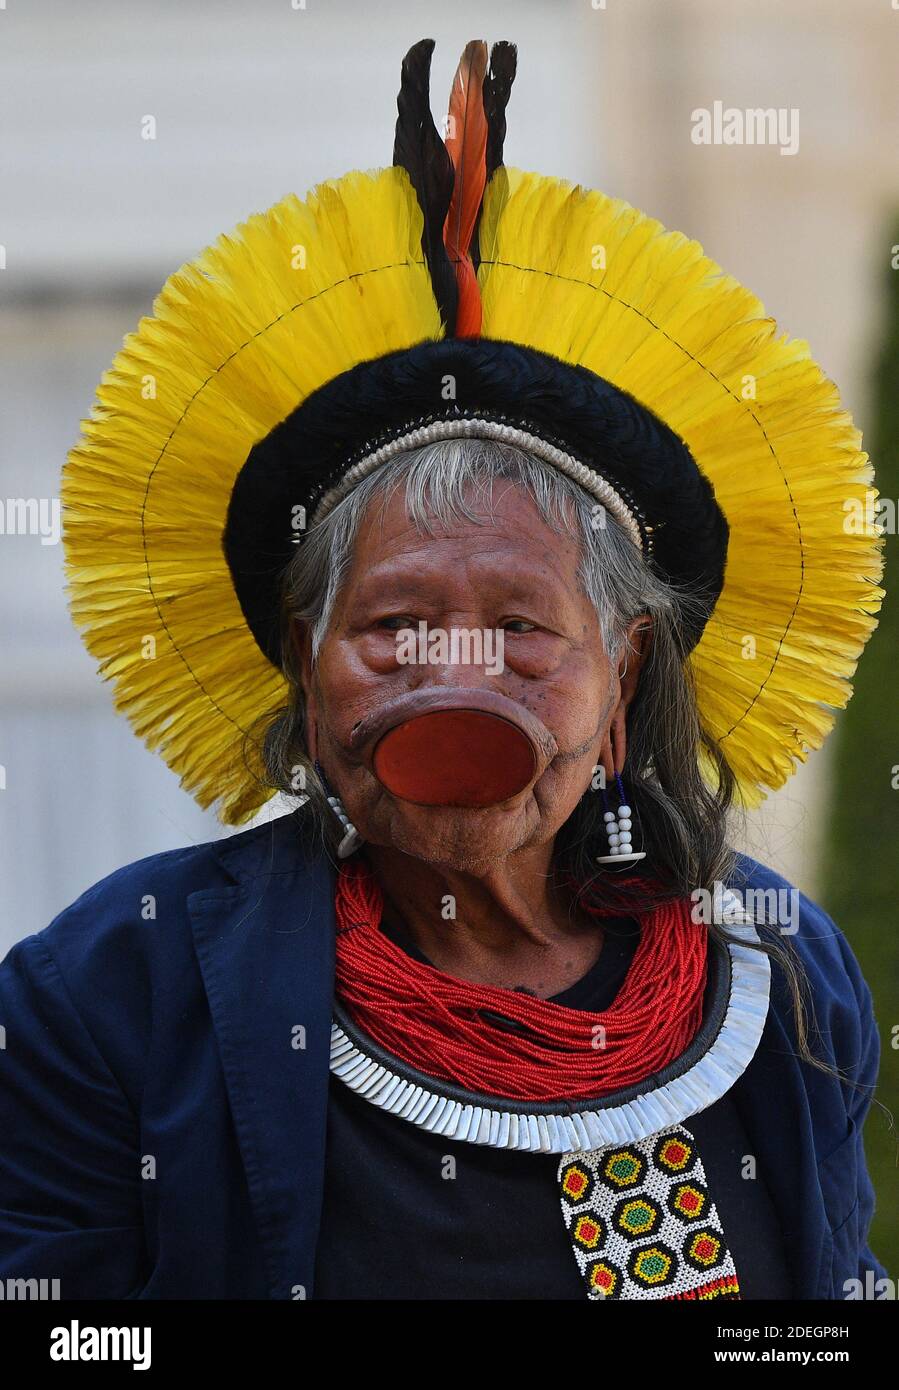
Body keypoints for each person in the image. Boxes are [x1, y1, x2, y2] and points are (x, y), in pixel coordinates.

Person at [0, 39, 886, 1300]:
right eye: (394, 627)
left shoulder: (775, 969)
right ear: (308, 683)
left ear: (622, 677)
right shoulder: (111, 993)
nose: (455, 672)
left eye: (523, 628)